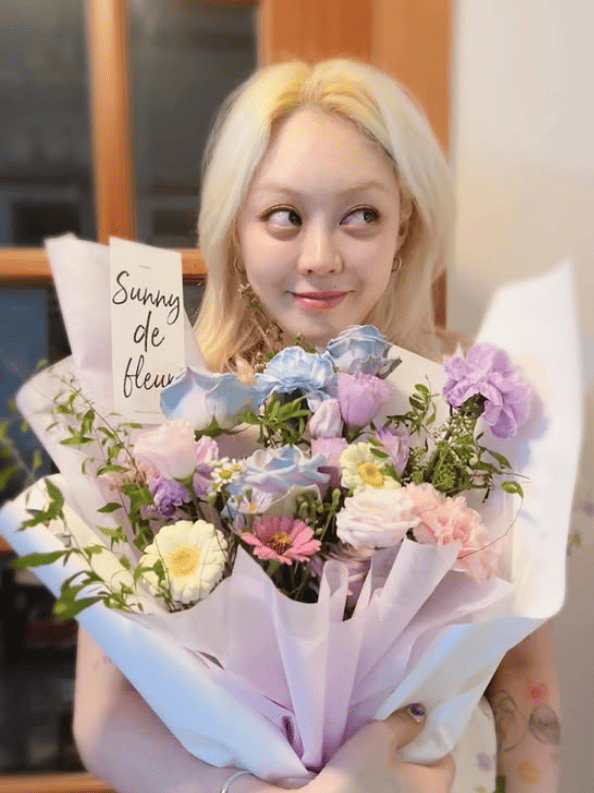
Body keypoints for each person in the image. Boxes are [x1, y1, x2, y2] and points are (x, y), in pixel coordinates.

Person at [73, 59, 560, 793]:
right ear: (235, 230)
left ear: (404, 226)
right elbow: (104, 719)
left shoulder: (473, 412)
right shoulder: (166, 424)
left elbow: (526, 684)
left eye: (361, 215)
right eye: (285, 215)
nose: (321, 257)